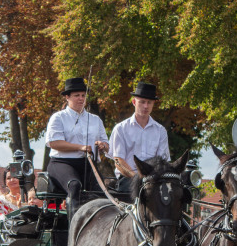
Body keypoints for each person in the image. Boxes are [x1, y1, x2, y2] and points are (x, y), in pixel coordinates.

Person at [45, 77, 109, 220]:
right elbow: (54, 143)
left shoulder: (95, 119)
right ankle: (74, 229)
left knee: (103, 191)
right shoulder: (58, 118)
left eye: (83, 95)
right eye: (76, 96)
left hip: (88, 163)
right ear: (67, 97)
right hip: (62, 162)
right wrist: (80, 147)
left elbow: (106, 144)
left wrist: (103, 146)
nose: (81, 99)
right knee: (74, 185)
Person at [108, 81, 170, 195]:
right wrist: (137, 177)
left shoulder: (160, 131)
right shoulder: (120, 129)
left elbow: (163, 161)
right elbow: (118, 161)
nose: (146, 106)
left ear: (153, 104)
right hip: (128, 179)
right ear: (134, 102)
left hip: (154, 181)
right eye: (142, 102)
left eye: (149, 102)